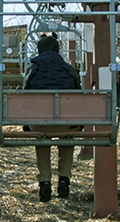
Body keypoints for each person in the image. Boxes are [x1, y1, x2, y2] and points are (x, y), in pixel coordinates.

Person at [23, 33, 81, 201]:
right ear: (57, 51)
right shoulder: (68, 69)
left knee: (42, 138)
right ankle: (64, 178)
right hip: (66, 123)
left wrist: (26, 124)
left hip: (40, 123)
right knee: (68, 137)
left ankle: (45, 182)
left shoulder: (33, 69)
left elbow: (25, 96)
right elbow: (78, 96)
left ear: (39, 51)